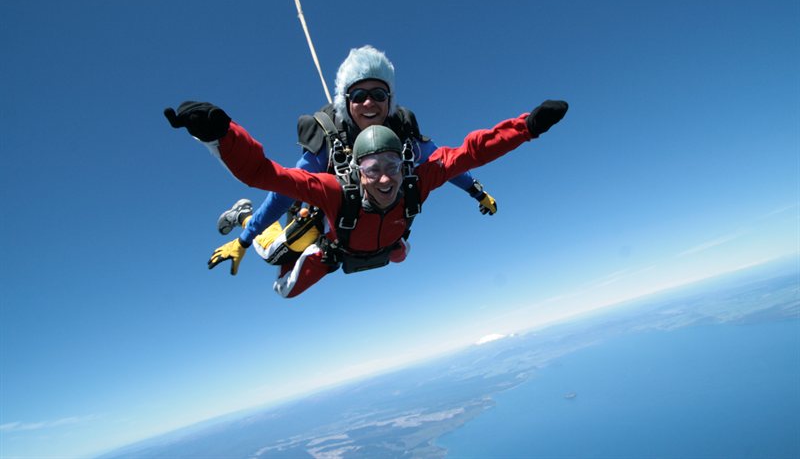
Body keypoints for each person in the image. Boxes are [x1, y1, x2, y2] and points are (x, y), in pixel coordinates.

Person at [165, 98, 568, 298]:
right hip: (332, 244)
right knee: (280, 279)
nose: (384, 178)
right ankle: (245, 217)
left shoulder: (415, 180)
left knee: (396, 250)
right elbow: (266, 175)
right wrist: (220, 133)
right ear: (356, 170)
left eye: (392, 165)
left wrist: (528, 127)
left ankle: (289, 237)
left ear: (404, 162)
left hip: (370, 244)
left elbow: (468, 154)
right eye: (372, 168)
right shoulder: (334, 190)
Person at [208, 46, 498, 276]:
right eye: (359, 95)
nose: (369, 103)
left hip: (368, 218)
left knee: (395, 249)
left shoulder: (402, 137)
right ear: (345, 101)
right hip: (326, 209)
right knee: (277, 256)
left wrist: (477, 191)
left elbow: (446, 162)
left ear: (390, 99)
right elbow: (284, 189)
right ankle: (242, 213)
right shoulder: (329, 143)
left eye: (378, 94)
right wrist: (245, 238)